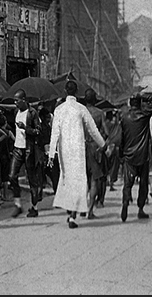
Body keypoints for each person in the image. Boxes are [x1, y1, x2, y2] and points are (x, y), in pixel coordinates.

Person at [47, 81, 106, 229]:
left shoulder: (59, 109)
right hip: (78, 149)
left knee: (67, 179)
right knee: (78, 181)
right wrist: (102, 144)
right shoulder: (81, 109)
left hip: (64, 150)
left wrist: (51, 154)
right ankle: (72, 215)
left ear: (65, 91)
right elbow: (93, 130)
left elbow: (55, 132)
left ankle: (70, 211)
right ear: (77, 91)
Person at [116, 93, 152, 222]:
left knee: (127, 184)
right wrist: (143, 96)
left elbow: (121, 137)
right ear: (139, 104)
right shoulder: (144, 116)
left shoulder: (124, 118)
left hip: (129, 155)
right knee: (143, 184)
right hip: (143, 155)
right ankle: (140, 209)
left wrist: (121, 153)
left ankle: (125, 202)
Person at [8, 89, 42, 218]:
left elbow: (38, 131)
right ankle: (18, 204)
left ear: (24, 100)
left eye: (17, 101)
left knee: (32, 179)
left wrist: (25, 128)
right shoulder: (17, 112)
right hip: (18, 148)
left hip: (29, 150)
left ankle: (34, 207)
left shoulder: (33, 113)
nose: (15, 103)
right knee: (12, 176)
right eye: (14, 101)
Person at [84, 89, 109, 219]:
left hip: (82, 147)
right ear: (95, 100)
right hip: (95, 148)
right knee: (94, 180)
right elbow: (106, 132)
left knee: (83, 180)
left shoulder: (80, 112)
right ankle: (90, 211)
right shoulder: (100, 113)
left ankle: (81, 208)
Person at [38, 106, 59, 194]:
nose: (49, 118)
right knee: (54, 174)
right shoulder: (44, 128)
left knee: (53, 174)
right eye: (47, 117)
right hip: (47, 154)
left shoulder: (46, 127)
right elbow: (45, 142)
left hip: (48, 153)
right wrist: (49, 154)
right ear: (42, 117)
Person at [0, 112, 15, 202]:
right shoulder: (8, 132)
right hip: (6, 156)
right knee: (5, 177)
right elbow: (15, 141)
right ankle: (5, 195)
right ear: (5, 123)